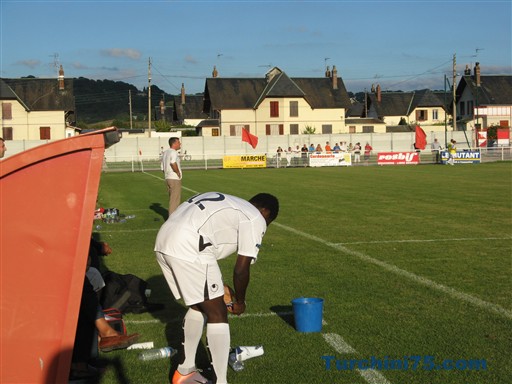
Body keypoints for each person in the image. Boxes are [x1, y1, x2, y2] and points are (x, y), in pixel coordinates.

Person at [155, 192, 279, 384]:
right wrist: (240, 301)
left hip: (165, 239)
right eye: (268, 223)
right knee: (218, 313)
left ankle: (185, 371)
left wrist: (220, 287)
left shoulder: (233, 203)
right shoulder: (255, 216)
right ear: (265, 212)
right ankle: (221, 381)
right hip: (191, 246)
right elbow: (241, 269)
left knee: (198, 305)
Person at [162, 137, 182, 215]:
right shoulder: (173, 152)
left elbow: (162, 167)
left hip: (168, 178)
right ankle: (172, 219)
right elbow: (173, 163)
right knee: (174, 200)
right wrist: (177, 172)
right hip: (174, 178)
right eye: (178, 142)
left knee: (172, 199)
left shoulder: (165, 152)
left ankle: (174, 217)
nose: (180, 144)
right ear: (174, 143)